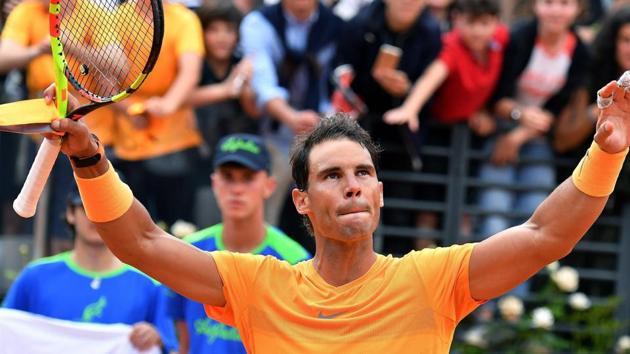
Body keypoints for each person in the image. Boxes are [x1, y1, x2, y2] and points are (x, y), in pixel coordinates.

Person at [44, 75, 630, 352]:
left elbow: (546, 234)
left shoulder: (433, 279)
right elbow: (140, 243)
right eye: (331, 176)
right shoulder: (257, 284)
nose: (352, 187)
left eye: (363, 174)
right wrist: (92, 160)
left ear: (379, 195)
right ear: (301, 201)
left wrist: (607, 150)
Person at [165, 133, 310, 354]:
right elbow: (183, 339)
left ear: (269, 185)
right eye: (228, 176)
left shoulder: (295, 261)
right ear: (214, 183)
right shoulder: (188, 251)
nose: (237, 189)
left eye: (248, 177)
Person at [2, 188, 178, 353]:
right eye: (87, 207)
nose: (96, 217)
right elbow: (7, 333)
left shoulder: (149, 284)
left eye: (106, 208)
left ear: (121, 216)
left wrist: (154, 337)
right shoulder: (35, 276)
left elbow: (170, 345)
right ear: (71, 214)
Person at [239, 0, 343, 227]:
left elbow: (339, 81)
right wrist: (290, 117)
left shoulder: (336, 25)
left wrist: (325, 121)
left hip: (324, 136)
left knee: (331, 211)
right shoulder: (259, 23)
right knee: (264, 217)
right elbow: (262, 83)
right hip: (272, 135)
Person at [112, 0, 204, 228]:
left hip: (176, 144)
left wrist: (168, 105)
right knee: (134, 229)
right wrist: (128, 109)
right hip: (129, 144)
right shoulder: (117, 18)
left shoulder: (184, 19)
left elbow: (190, 73)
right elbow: (105, 77)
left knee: (181, 229)